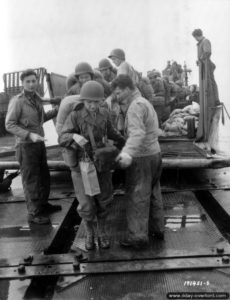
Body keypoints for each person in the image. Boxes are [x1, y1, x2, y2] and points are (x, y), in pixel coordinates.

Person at [59, 81, 125, 250]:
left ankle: (102, 232)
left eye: (96, 102)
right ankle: (89, 232)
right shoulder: (75, 115)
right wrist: (74, 137)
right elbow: (62, 137)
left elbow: (112, 132)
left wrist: (126, 143)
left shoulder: (104, 113)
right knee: (87, 205)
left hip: (101, 164)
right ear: (83, 101)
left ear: (101, 101)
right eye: (89, 102)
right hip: (82, 165)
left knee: (104, 201)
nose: (93, 105)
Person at [112, 75, 164, 249]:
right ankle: (157, 229)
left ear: (127, 89)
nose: (116, 96)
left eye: (118, 92)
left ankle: (138, 237)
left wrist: (127, 153)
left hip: (142, 158)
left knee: (138, 197)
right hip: (155, 154)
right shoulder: (145, 102)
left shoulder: (135, 107)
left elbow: (137, 134)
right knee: (154, 192)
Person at [5, 69, 61, 225]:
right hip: (25, 146)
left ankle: (43, 205)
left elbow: (41, 119)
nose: (31, 84)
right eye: (28, 81)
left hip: (39, 144)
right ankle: (34, 213)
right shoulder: (18, 101)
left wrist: (57, 110)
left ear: (37, 82)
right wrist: (29, 135)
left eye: (33, 81)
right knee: (31, 180)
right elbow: (9, 124)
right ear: (22, 83)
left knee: (43, 176)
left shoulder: (36, 99)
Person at [192, 29, 220, 141]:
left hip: (207, 66)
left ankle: (214, 99)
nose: (195, 39)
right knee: (208, 83)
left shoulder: (205, 41)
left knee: (210, 83)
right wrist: (199, 61)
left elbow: (207, 52)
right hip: (204, 66)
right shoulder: (201, 43)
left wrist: (201, 59)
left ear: (197, 36)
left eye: (195, 37)